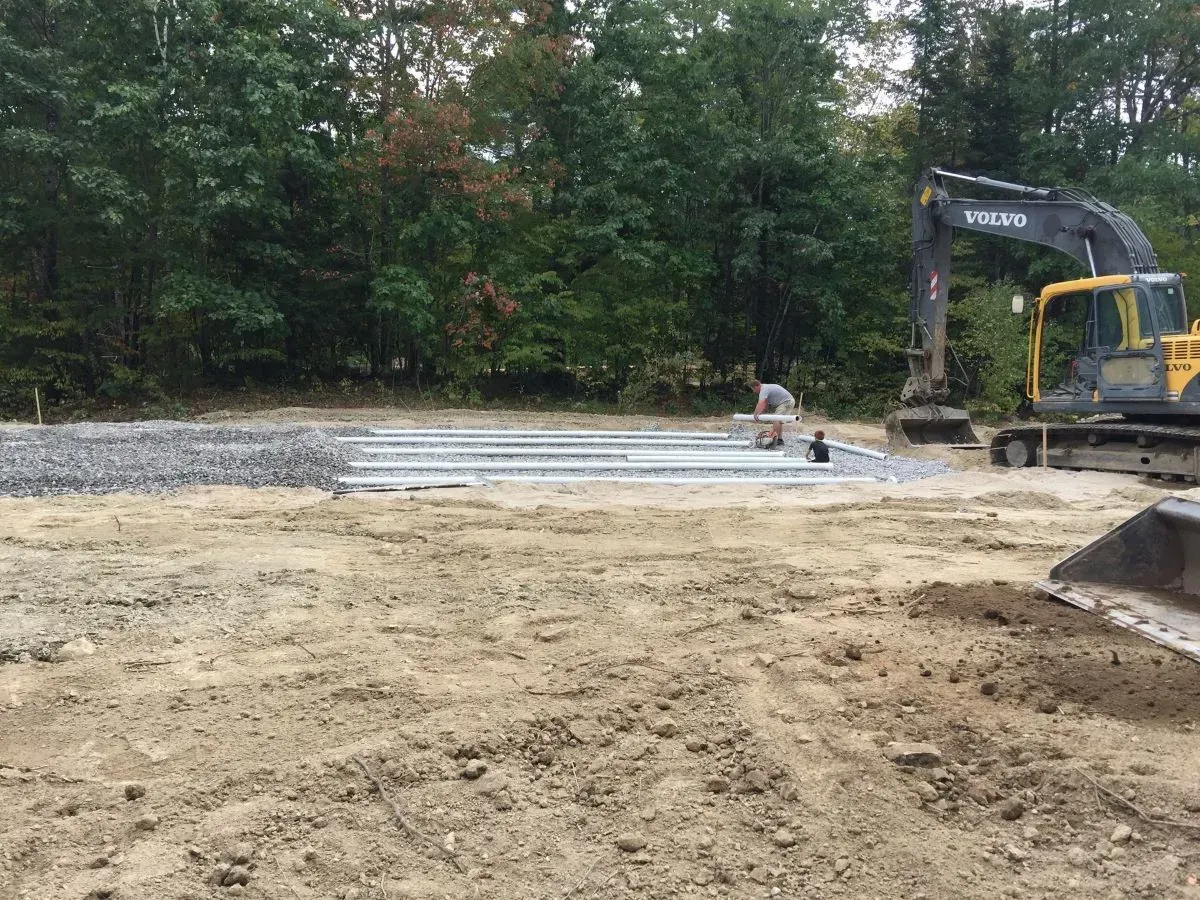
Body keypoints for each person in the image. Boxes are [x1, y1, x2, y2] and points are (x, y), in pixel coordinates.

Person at [750, 380, 795, 447]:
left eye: (753, 389)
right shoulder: (766, 388)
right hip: (790, 401)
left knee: (775, 419)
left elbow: (761, 402)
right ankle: (779, 440)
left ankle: (775, 439)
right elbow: (765, 403)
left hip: (786, 402)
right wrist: (760, 413)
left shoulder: (763, 389)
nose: (754, 391)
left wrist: (755, 414)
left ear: (756, 386)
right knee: (779, 421)